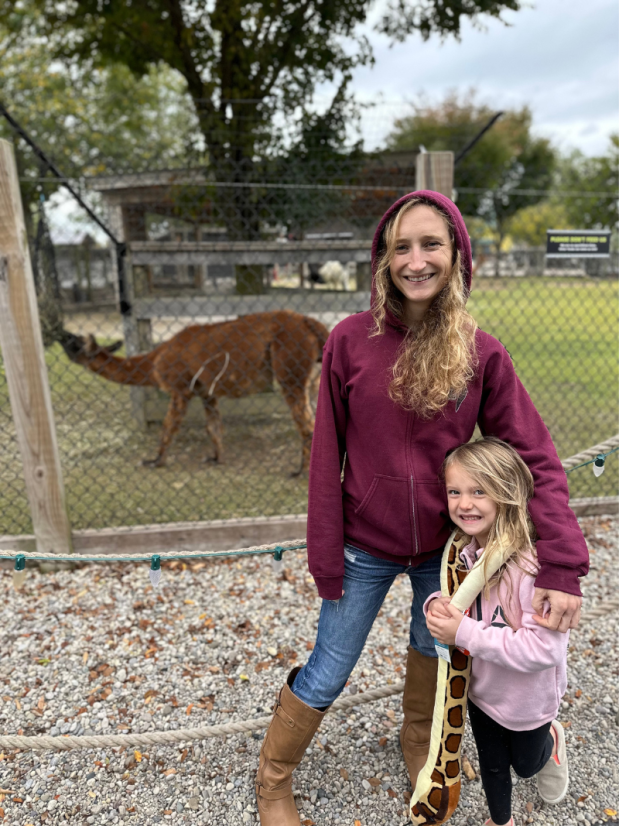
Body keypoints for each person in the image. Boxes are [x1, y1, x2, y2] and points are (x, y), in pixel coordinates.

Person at [254, 191, 588, 826]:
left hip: (446, 553)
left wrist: (562, 566)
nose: (415, 259)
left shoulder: (480, 351)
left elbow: (534, 457)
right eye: (400, 246)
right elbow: (327, 457)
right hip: (363, 545)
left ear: (456, 254)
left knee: (434, 657)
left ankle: (422, 748)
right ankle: (273, 781)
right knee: (329, 667)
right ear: (382, 258)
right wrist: (326, 554)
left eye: (431, 243)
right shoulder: (349, 341)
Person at [425, 437, 571, 826]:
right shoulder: (464, 553)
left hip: (528, 701)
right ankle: (500, 820)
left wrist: (465, 633)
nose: (464, 503)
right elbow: (458, 601)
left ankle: (551, 742)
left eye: (478, 491)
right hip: (482, 690)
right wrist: (436, 606)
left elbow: (544, 650)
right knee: (492, 765)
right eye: (455, 491)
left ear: (506, 493)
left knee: (524, 767)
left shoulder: (535, 569)